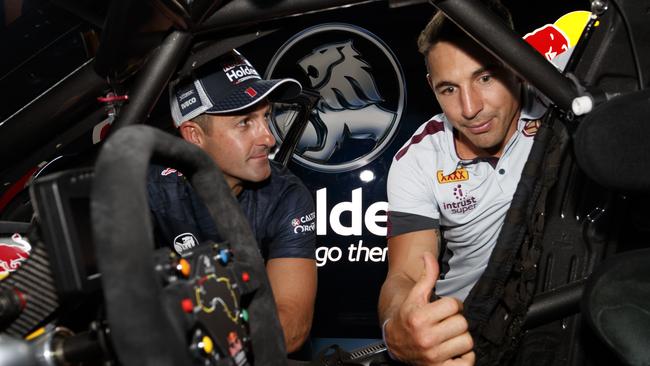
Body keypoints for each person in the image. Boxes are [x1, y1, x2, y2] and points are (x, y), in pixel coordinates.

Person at [378, 2, 545, 364]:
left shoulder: (560, 114)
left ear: (517, 64)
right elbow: (405, 273)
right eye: (449, 89)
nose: (469, 108)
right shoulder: (418, 160)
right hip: (468, 338)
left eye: (485, 77)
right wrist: (399, 327)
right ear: (431, 88)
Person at [147, 49, 317, 354]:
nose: (268, 137)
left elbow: (291, 328)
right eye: (244, 122)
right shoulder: (150, 190)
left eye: (265, 117)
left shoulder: (286, 195)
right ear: (194, 135)